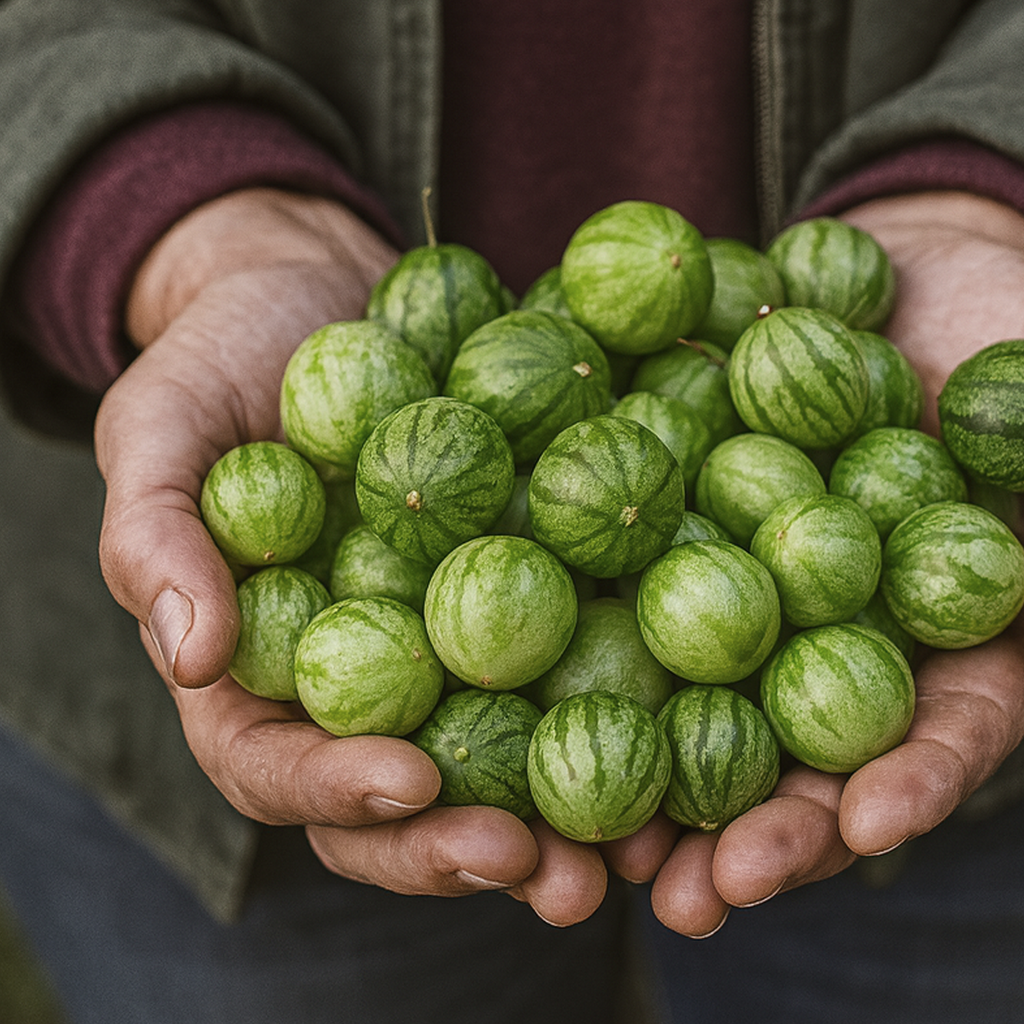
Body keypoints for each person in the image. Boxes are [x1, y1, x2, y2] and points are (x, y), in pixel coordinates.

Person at [1, 2, 1023, 1021]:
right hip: (174, 781)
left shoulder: (690, 477)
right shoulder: (459, 497)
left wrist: (986, 183)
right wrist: (171, 207)